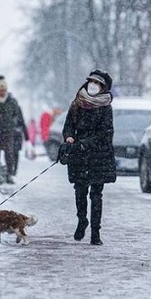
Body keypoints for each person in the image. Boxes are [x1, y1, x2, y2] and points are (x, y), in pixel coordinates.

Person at [62, 69, 116, 245]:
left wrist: (87, 143)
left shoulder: (106, 108)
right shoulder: (77, 103)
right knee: (80, 191)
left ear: (103, 87)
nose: (93, 85)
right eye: (91, 82)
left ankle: (95, 232)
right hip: (78, 154)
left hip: (99, 156)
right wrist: (69, 137)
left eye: (97, 83)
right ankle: (82, 220)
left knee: (96, 194)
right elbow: (68, 125)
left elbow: (105, 133)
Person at [0, 75, 27, 184]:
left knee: (9, 155)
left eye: (4, 90)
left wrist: (13, 123)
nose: (2, 92)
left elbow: (17, 115)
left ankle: (9, 175)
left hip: (8, 133)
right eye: (0, 90)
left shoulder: (12, 102)